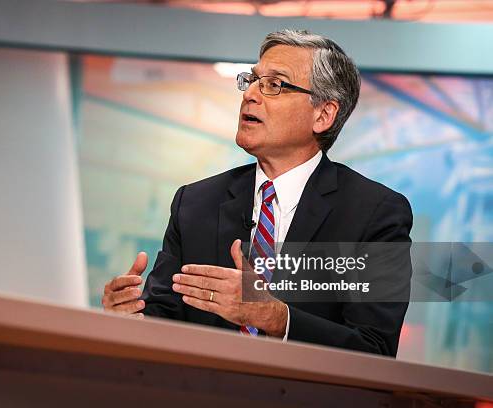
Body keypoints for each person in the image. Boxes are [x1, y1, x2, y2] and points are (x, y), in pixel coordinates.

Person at [102, 29, 412, 357]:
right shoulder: (195, 203)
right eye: (251, 79)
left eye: (274, 84)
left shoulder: (375, 213)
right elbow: (163, 318)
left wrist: (276, 318)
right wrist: (129, 317)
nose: (250, 94)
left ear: (322, 115)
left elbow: (374, 350)